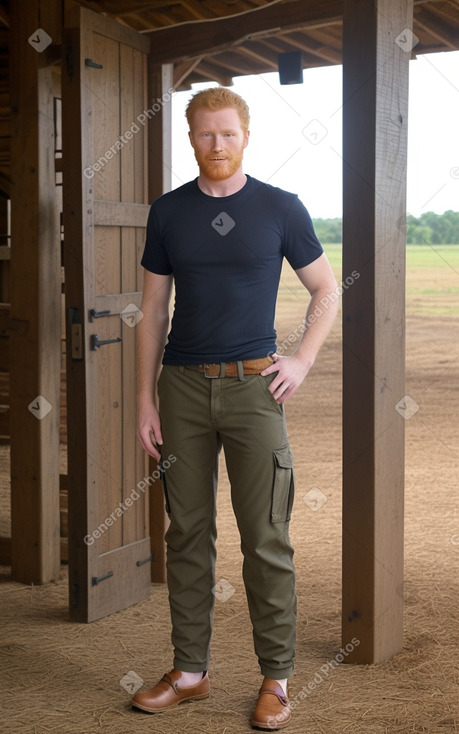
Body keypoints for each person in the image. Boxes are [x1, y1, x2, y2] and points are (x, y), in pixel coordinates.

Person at [132, 87, 338, 730]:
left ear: (245, 137)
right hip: (183, 389)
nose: (215, 145)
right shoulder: (167, 213)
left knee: (266, 537)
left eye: (226, 134)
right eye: (203, 134)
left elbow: (327, 290)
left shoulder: (281, 208)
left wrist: (300, 359)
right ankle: (190, 671)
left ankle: (276, 678)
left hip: (255, 390)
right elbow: (153, 310)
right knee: (187, 534)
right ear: (189, 138)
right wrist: (144, 396)